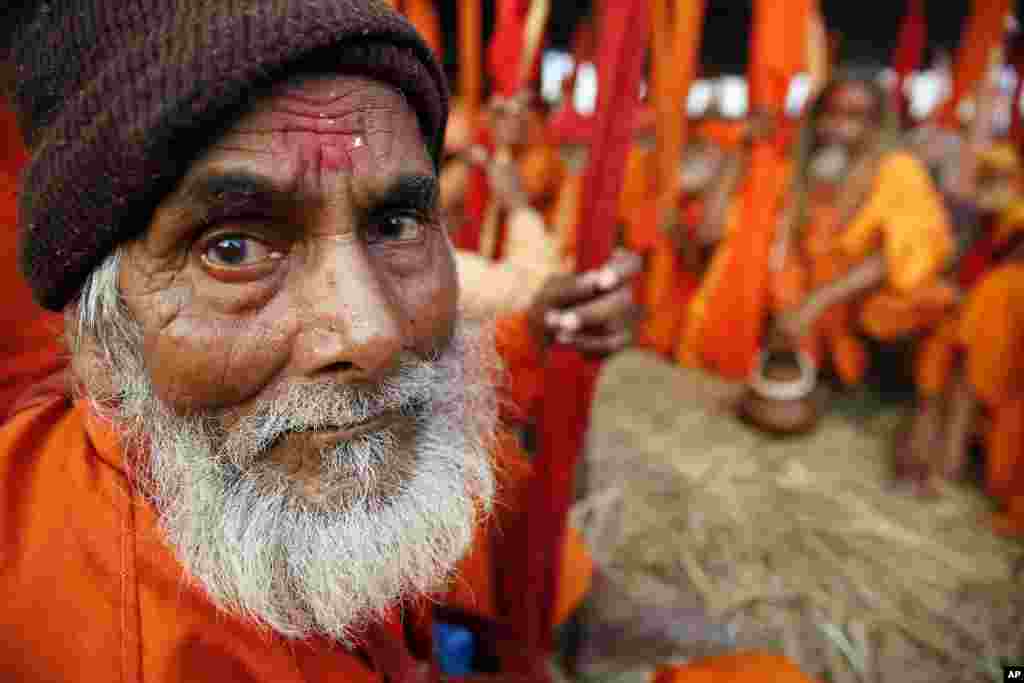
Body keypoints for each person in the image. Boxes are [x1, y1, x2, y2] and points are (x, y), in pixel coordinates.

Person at [0, 3, 818, 682]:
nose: (373, 331)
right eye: (234, 247)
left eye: (394, 223)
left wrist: (532, 345)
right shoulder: (126, 645)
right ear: (100, 340)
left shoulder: (266, 453)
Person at [767, 74, 956, 389]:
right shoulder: (805, 168)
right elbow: (787, 243)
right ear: (816, 118)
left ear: (876, 124)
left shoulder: (899, 169)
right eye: (832, 113)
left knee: (911, 301)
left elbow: (896, 257)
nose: (839, 125)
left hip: (864, 296)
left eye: (855, 116)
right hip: (816, 291)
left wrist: (817, 302)